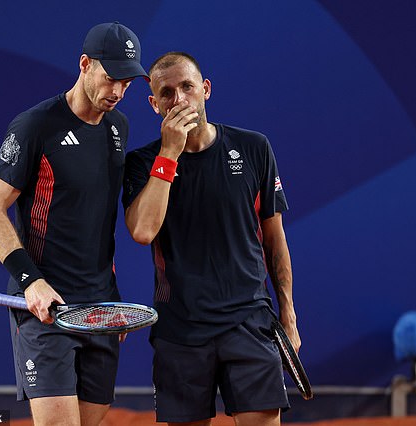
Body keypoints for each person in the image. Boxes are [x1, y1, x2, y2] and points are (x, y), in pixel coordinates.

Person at [0, 22, 149, 426]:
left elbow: (95, 219)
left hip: (99, 310)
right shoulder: (34, 126)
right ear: (85, 64)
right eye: (110, 79)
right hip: (46, 310)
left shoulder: (118, 128)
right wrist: (30, 281)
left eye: (127, 83)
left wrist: (110, 301)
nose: (119, 92)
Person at [122, 51, 300, 426]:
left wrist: (289, 315)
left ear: (205, 89)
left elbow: (274, 238)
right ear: (154, 105)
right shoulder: (141, 163)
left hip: (250, 323)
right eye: (167, 93)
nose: (179, 99)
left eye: (187, 87)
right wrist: (170, 151)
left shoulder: (254, 148)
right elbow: (142, 231)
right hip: (179, 330)